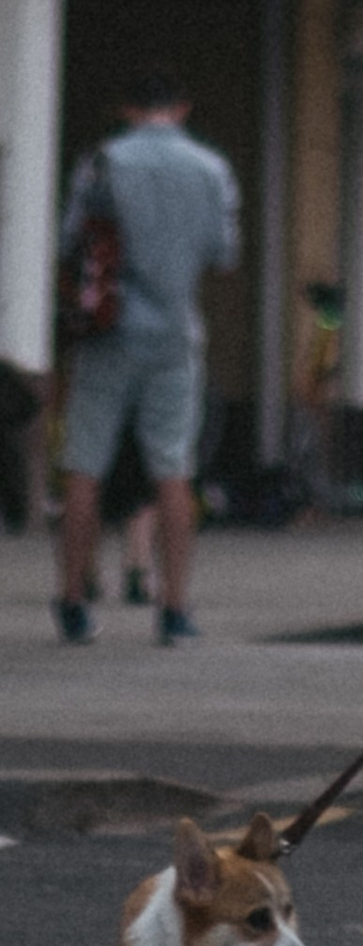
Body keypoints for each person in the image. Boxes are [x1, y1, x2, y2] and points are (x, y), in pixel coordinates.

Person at [54, 73, 239, 647]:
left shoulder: (102, 163)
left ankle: (74, 601)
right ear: (181, 108)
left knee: (84, 466)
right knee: (173, 470)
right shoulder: (212, 170)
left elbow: (69, 245)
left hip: (109, 334)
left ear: (127, 107)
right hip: (176, 339)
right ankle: (175, 609)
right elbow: (224, 255)